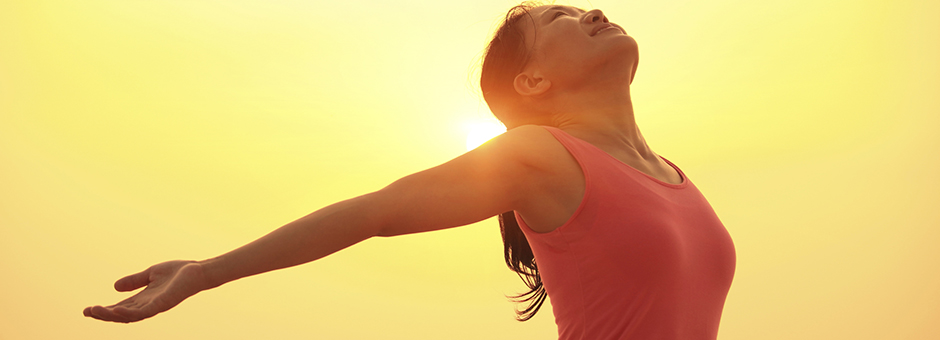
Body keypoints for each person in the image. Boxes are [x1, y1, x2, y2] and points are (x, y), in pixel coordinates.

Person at [84, 2, 736, 339]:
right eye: (560, 18)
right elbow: (380, 210)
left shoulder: (672, 176)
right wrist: (204, 272)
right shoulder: (539, 156)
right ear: (532, 80)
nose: (590, 10)